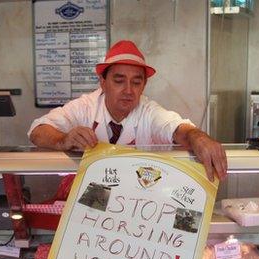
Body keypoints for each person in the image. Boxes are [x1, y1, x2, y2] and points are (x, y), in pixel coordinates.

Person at [28, 40, 228, 182]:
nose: (129, 90)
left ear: (144, 86)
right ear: (103, 82)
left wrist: (197, 136)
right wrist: (63, 140)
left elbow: (173, 126)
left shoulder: (148, 111)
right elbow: (38, 130)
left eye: (136, 82)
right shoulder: (85, 107)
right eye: (119, 80)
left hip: (137, 206)